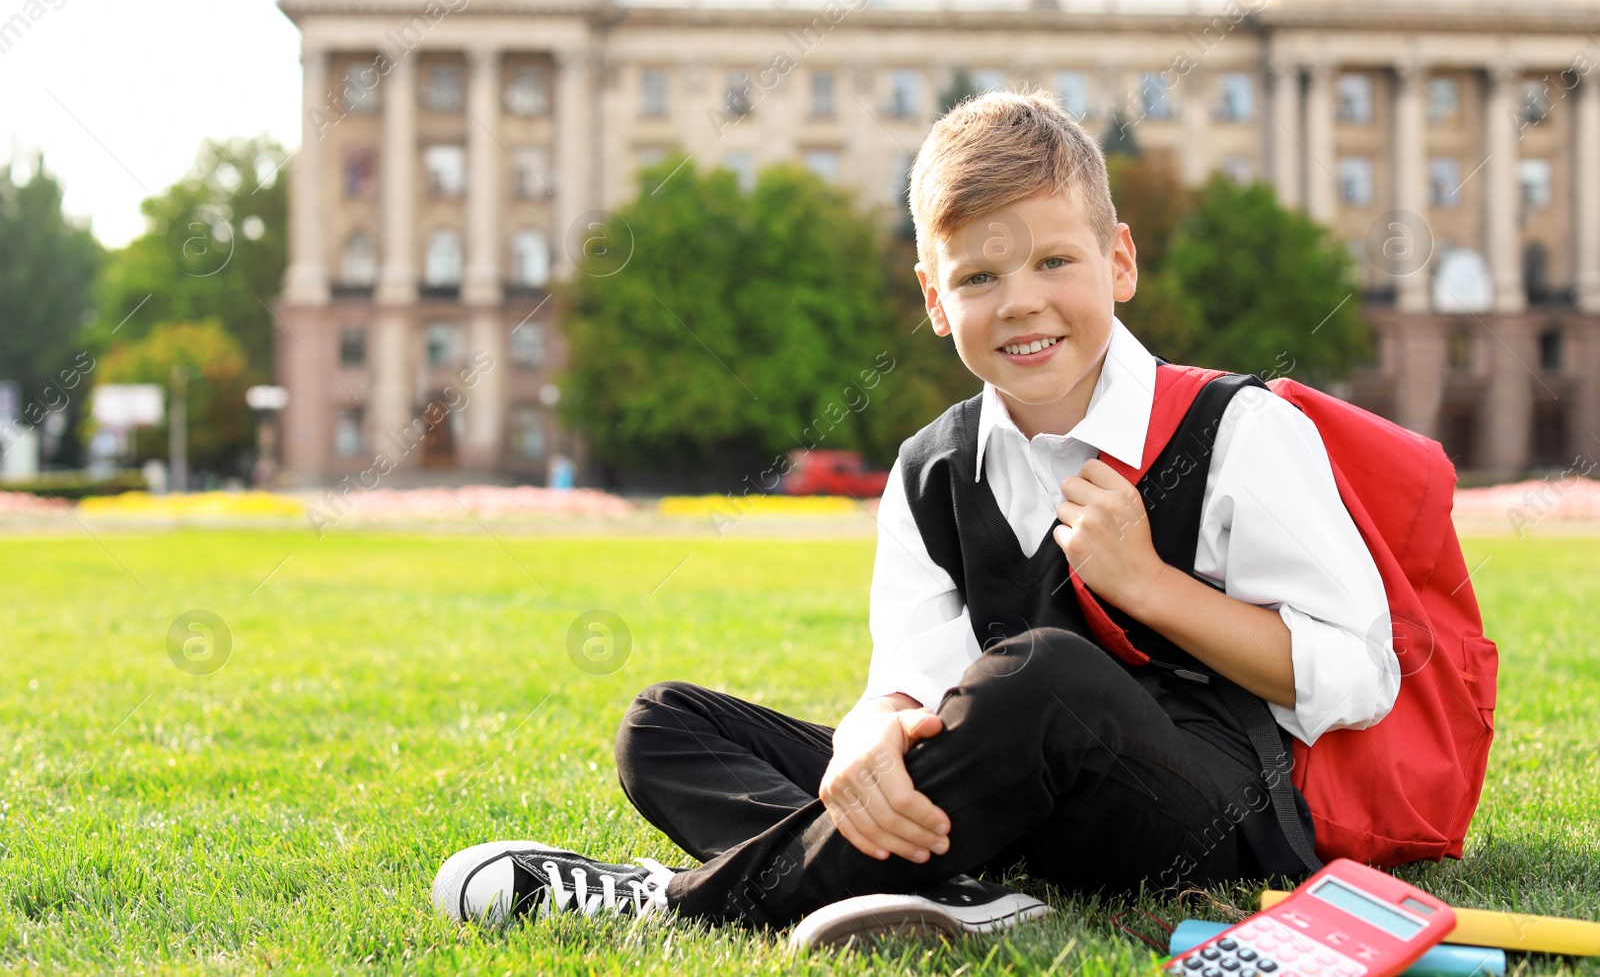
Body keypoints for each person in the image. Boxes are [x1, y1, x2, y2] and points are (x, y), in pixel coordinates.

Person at [431, 90, 1397, 947]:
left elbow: (1360, 673)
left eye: (1055, 260)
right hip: (1006, 792)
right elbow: (915, 678)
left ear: (1119, 261)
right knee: (665, 724)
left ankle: (677, 904)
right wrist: (867, 733)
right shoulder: (931, 467)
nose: (1022, 304)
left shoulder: (1235, 428)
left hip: (1203, 806)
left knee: (1040, 674)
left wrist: (1150, 587)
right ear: (936, 300)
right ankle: (948, 889)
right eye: (978, 278)